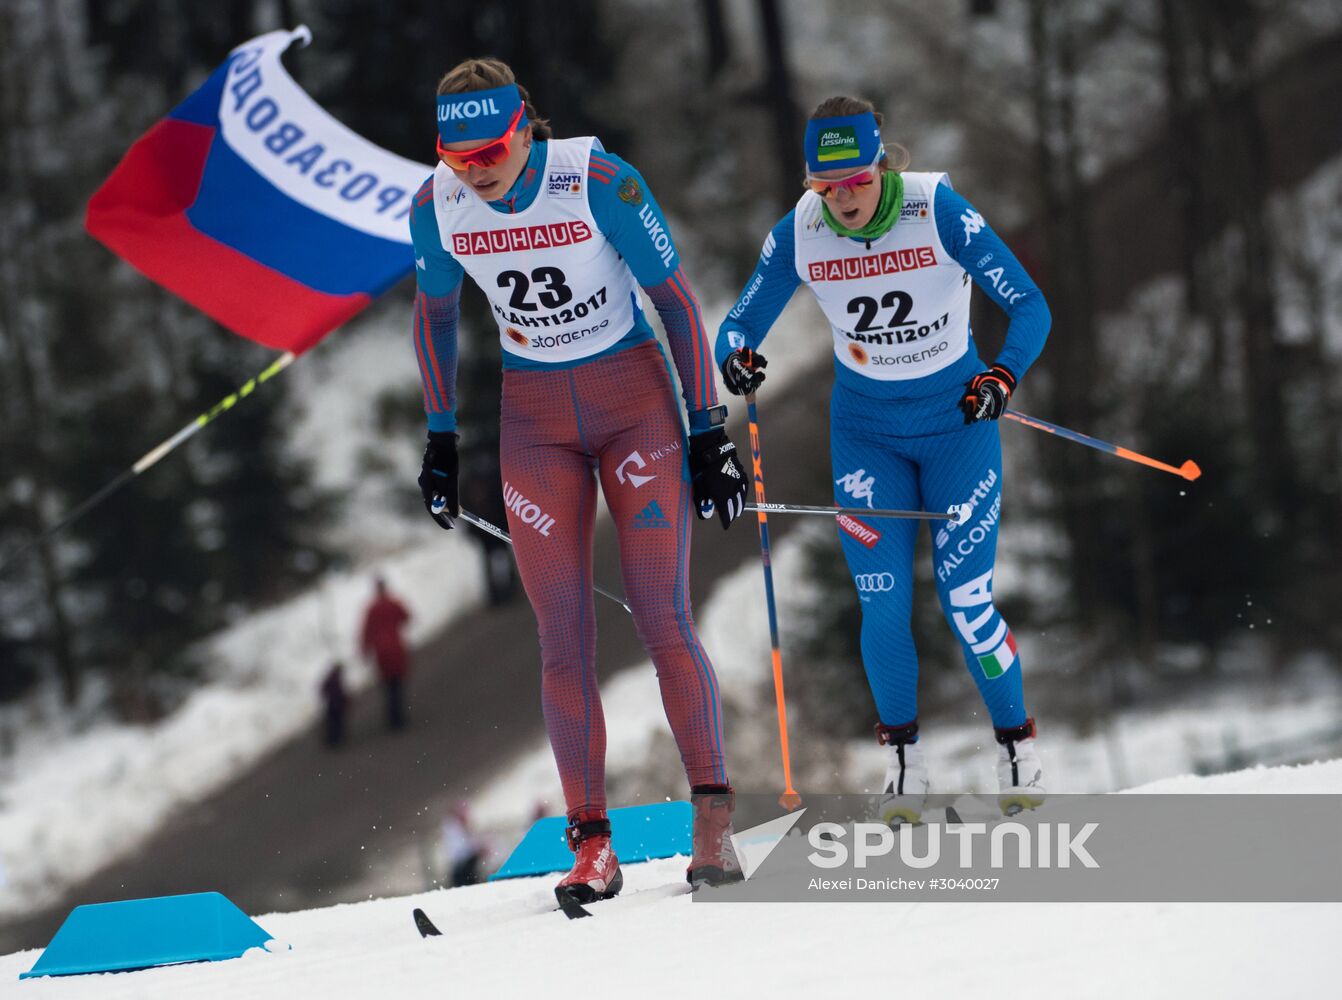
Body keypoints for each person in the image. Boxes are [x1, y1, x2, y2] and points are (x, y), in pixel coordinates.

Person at [410, 58, 750, 903]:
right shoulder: (436, 206)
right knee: (561, 637)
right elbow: (436, 317)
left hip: (632, 404)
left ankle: (712, 822)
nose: (478, 169)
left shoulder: (600, 181)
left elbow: (675, 301)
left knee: (662, 615)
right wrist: (441, 441)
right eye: (460, 157)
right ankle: (593, 846)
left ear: (525, 125)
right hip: (534, 423)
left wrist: (708, 434)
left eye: (491, 148)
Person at [716, 96, 1051, 822]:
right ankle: (905, 764)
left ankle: (1016, 746)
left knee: (966, 602)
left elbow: (1030, 304)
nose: (843, 201)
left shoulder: (936, 208)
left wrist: (1001, 375)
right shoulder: (801, 232)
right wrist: (736, 356)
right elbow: (739, 321)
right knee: (882, 601)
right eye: (826, 187)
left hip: (957, 427)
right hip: (866, 435)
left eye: (856, 182)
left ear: (880, 165)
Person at [360, 577, 412, 731]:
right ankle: (399, 717)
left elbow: (366, 632)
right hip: (396, 649)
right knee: (398, 685)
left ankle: (392, 718)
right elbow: (406, 617)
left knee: (388, 686)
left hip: (381, 653)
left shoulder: (371, 609)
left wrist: (365, 650)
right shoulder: (394, 603)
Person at [318, 660, 349, 747]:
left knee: (332, 723)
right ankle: (335, 740)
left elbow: (323, 689)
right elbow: (339, 692)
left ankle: (332, 740)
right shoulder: (335, 678)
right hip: (336, 704)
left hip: (331, 704)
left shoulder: (330, 677)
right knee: (337, 723)